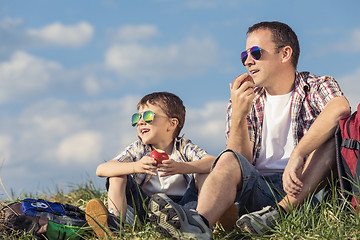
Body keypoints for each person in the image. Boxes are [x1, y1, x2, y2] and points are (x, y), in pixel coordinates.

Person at [148, 21, 351, 239]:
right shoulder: (246, 99)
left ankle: (280, 213)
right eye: (244, 56)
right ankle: (198, 224)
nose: (248, 62)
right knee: (226, 159)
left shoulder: (315, 86)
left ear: (285, 54)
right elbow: (237, 159)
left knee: (334, 136)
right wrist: (238, 115)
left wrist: (298, 153)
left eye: (255, 53)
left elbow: (340, 108)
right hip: (259, 190)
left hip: (303, 188)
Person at [85, 91, 215, 239]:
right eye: (137, 118)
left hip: (184, 210)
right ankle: (115, 226)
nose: (140, 122)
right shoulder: (139, 149)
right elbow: (102, 169)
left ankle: (203, 221)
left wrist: (182, 167)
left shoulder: (182, 146)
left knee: (204, 171)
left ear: (172, 124)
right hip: (147, 209)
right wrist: (135, 166)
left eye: (148, 116)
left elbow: (214, 162)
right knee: (117, 174)